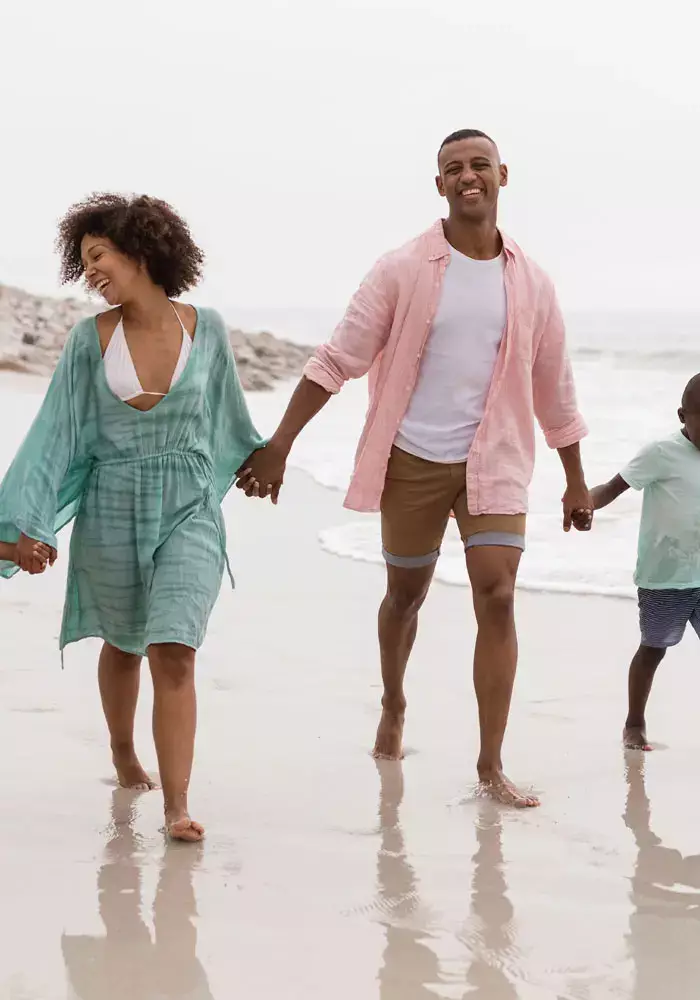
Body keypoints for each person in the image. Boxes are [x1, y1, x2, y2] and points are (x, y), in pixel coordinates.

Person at [237, 129, 592, 807]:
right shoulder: (401, 268)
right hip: (414, 460)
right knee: (406, 597)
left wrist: (575, 476)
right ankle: (394, 703)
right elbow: (337, 358)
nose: (468, 176)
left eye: (479, 164)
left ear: (502, 175)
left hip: (497, 461)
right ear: (439, 186)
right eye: (453, 168)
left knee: (498, 593)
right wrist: (280, 443)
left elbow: (555, 386)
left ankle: (490, 765)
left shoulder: (533, 283)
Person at [0, 193, 264, 840]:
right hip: (111, 507)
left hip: (189, 507)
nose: (90, 272)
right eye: (83, 260)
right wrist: (26, 526)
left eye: (99, 256)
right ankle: (123, 753)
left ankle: (177, 806)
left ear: (140, 250)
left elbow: (230, 421)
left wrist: (264, 462)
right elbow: (55, 434)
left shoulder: (210, 329)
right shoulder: (89, 341)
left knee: (174, 649)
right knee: (123, 645)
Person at [590, 374, 700, 751]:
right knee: (653, 648)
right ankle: (634, 723)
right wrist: (582, 503)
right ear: (683, 415)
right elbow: (612, 487)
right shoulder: (661, 453)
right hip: (665, 577)